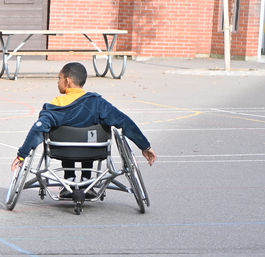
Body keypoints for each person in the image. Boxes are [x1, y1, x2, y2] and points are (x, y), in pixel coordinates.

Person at [11, 62, 156, 197]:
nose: (58, 82)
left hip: (63, 152)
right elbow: (125, 122)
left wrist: (22, 155)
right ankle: (87, 179)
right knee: (90, 136)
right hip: (94, 151)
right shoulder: (98, 103)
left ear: (67, 81)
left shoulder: (57, 104)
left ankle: (69, 178)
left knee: (65, 136)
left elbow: (38, 129)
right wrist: (145, 146)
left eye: (59, 78)